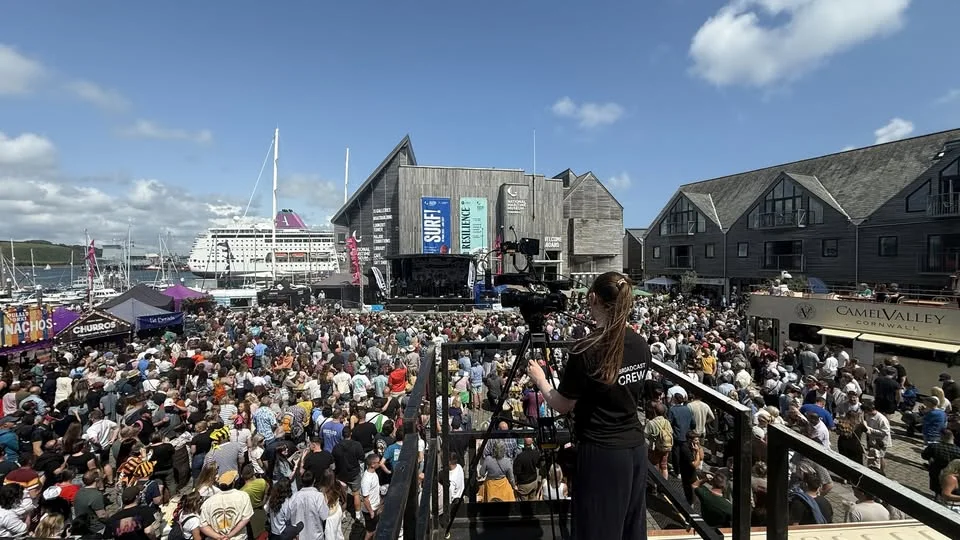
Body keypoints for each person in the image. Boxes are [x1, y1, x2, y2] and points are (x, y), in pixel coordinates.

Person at [527, 271, 649, 540]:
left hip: (602, 451)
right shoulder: (640, 343)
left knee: (598, 529)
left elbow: (562, 405)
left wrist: (541, 380)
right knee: (631, 529)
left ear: (593, 298)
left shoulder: (586, 349)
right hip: (636, 448)